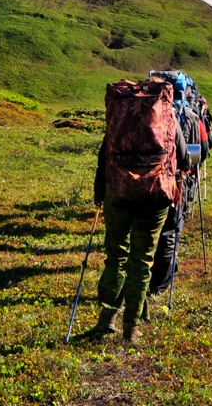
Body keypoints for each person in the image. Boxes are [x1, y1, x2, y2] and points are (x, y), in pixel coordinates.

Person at [86, 81, 190, 344]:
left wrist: (100, 193)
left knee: (116, 257)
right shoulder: (168, 117)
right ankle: (131, 326)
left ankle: (107, 318)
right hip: (154, 196)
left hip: (118, 193)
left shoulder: (120, 116)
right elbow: (185, 159)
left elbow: (104, 156)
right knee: (142, 261)